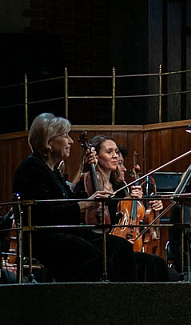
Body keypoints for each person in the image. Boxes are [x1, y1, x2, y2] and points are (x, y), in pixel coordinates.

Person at [12, 113, 137, 281]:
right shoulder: (32, 169)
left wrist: (90, 197)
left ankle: (128, 295)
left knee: (121, 247)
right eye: (65, 136)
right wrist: (87, 204)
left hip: (66, 233)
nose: (70, 141)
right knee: (97, 260)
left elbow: (71, 200)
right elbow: (45, 213)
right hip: (47, 237)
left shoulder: (54, 171)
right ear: (49, 142)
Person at [80, 135, 175, 281]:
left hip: (125, 243)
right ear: (96, 156)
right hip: (102, 245)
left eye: (116, 152)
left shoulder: (121, 187)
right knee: (154, 265)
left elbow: (135, 221)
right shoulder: (88, 184)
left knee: (161, 267)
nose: (115, 156)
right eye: (109, 152)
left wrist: (150, 208)